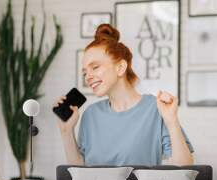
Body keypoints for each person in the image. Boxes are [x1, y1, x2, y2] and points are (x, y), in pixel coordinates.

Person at [53, 24, 194, 166]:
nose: (88, 77)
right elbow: (79, 171)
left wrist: (172, 121)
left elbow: (185, 168)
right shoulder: (90, 115)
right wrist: (66, 131)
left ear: (120, 67)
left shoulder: (156, 108)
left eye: (95, 67)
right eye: (85, 72)